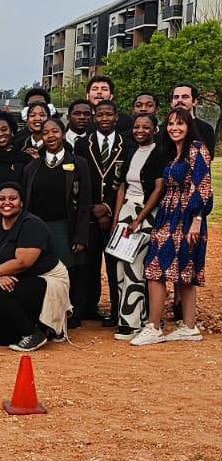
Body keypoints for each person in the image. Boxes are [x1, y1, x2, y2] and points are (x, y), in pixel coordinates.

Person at [132, 109, 212, 346]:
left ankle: (154, 327)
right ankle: (188, 326)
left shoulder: (196, 148)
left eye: (180, 124)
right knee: (178, 271)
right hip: (168, 214)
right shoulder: (172, 152)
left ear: (189, 126)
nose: (174, 128)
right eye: (170, 124)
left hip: (187, 217)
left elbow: (203, 185)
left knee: (160, 269)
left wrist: (197, 220)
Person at [0, 183, 71, 352]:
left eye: (12, 198)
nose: (7, 202)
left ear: (21, 202)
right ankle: (31, 325)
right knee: (0, 338)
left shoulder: (32, 224)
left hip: (45, 278)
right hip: (15, 277)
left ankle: (33, 333)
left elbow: (23, 262)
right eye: (1, 199)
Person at [23, 117, 92, 326]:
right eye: (45, 133)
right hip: (39, 229)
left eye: (55, 131)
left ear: (63, 134)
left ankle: (68, 317)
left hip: (65, 227)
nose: (50, 136)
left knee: (67, 272)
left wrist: (81, 236)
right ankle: (44, 316)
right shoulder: (32, 167)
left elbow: (85, 202)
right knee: (41, 272)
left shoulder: (78, 163)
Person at [111, 114, 166, 340]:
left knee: (135, 266)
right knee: (120, 266)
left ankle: (134, 323)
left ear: (154, 130)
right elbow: (122, 187)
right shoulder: (131, 151)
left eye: (146, 127)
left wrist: (139, 219)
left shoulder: (159, 153)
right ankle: (127, 318)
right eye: (136, 127)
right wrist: (117, 218)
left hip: (145, 214)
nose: (140, 131)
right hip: (126, 211)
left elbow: (158, 189)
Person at [73, 100, 128, 327]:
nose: (105, 119)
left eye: (109, 114)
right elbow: (79, 180)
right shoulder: (82, 144)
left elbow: (126, 180)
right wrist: (94, 208)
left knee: (115, 265)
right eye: (100, 115)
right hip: (89, 214)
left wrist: (108, 208)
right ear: (95, 118)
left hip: (116, 216)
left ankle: (117, 311)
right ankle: (85, 308)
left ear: (116, 117)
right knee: (88, 265)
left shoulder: (127, 143)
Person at [170, 83, 216, 156]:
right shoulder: (164, 129)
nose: (179, 100)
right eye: (176, 97)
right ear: (171, 103)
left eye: (185, 97)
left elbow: (208, 157)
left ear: (194, 101)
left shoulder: (206, 129)